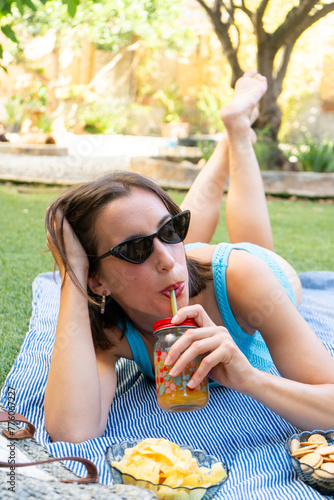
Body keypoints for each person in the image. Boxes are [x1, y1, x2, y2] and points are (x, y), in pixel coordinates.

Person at [44, 71, 334, 444]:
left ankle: (237, 140)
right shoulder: (108, 326)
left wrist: (250, 379)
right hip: (177, 273)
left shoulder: (243, 279)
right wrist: (73, 274)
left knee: (255, 244)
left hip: (250, 271)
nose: (166, 258)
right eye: (135, 249)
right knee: (176, 254)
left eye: (171, 228)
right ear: (96, 278)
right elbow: (72, 430)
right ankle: (228, 140)